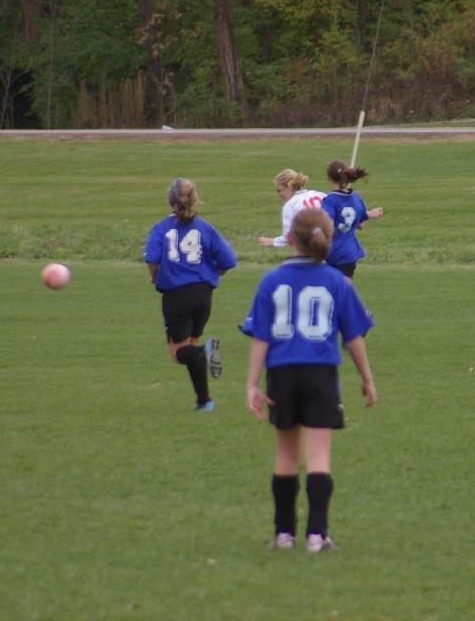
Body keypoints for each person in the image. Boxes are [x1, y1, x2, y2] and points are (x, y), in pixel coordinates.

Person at [242, 208, 378, 553]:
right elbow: (354, 337)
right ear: (327, 240)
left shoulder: (271, 281)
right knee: (318, 457)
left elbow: (260, 338)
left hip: (282, 374)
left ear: (290, 239)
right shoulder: (336, 281)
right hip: (321, 374)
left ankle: (284, 535)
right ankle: (317, 536)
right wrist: (366, 378)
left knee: (286, 457)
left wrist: (252, 384)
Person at [143, 178, 237, 411]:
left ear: (169, 201)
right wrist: (213, 273)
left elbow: (152, 258)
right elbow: (228, 261)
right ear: (195, 199)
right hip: (203, 295)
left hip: (177, 296)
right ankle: (204, 401)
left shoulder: (161, 228)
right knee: (192, 347)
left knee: (179, 353)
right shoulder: (206, 227)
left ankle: (207, 350)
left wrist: (154, 276)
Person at [320, 160, 384, 280]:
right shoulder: (356, 198)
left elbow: (326, 226)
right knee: (342, 289)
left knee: (330, 288)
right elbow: (361, 225)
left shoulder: (329, 201)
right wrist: (369, 214)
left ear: (329, 178)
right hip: (348, 254)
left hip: (331, 253)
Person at [257, 169, 326, 248]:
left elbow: (290, 236)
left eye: (279, 191)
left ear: (289, 187)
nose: (278, 194)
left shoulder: (290, 205)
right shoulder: (319, 194)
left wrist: (274, 241)